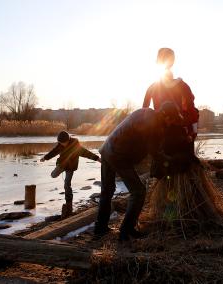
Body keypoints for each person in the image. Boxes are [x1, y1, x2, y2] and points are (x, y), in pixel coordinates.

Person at [94, 102, 184, 241]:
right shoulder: (154, 124)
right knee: (138, 192)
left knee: (107, 191)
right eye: (171, 119)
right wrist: (173, 161)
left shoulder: (146, 112)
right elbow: (155, 153)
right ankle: (126, 231)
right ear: (165, 115)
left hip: (107, 149)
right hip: (118, 156)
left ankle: (100, 229)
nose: (171, 122)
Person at [143, 47, 199, 141]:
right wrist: (193, 132)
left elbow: (144, 111)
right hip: (180, 130)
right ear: (172, 61)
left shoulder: (153, 87)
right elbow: (191, 109)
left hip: (159, 130)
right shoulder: (183, 86)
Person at [40, 131, 100, 217]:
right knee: (53, 175)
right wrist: (45, 158)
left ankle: (69, 202)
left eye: (63, 142)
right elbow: (53, 152)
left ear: (68, 140)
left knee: (67, 184)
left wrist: (97, 159)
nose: (62, 144)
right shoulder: (60, 145)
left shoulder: (76, 146)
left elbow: (87, 153)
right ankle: (59, 170)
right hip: (62, 164)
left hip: (70, 168)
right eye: (60, 143)